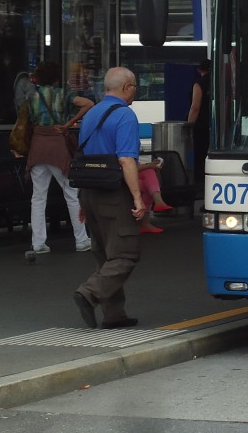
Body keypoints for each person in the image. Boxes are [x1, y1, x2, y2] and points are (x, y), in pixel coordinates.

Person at [72, 67, 148, 330]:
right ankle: (89, 293)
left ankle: (114, 315)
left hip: (89, 192)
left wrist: (83, 203)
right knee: (125, 254)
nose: (136, 92)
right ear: (127, 87)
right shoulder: (125, 115)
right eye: (136, 87)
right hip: (113, 195)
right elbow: (126, 159)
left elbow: (85, 158)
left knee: (105, 255)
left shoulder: (91, 113)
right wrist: (138, 198)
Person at [17, 60, 94, 254]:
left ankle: (39, 243)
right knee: (70, 193)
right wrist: (68, 124)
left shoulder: (31, 97)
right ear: (56, 77)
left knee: (38, 197)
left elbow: (23, 120)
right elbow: (88, 104)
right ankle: (81, 240)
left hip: (37, 146)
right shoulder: (63, 94)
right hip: (58, 146)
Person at [186, 58, 211, 209]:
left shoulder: (199, 84)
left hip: (201, 127)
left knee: (200, 161)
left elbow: (195, 107)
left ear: (199, 70)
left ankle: (202, 197)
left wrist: (189, 126)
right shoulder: (220, 82)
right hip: (215, 126)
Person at [136, 158, 171, 234]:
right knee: (147, 182)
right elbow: (128, 167)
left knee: (149, 172)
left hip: (129, 173)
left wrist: (151, 165)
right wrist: (149, 165)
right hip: (119, 176)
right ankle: (158, 201)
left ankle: (158, 201)